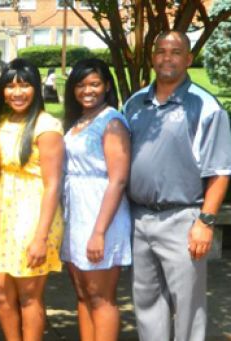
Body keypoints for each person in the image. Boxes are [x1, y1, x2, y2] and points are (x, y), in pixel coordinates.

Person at [122, 30, 231, 341]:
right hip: (139, 219)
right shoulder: (134, 104)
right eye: (161, 51)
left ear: (188, 59)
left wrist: (205, 222)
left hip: (183, 220)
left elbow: (220, 172)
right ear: (152, 57)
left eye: (175, 51)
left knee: (188, 307)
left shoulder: (206, 107)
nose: (167, 57)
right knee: (146, 303)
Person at [0, 58, 64, 341]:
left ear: (36, 89)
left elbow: (54, 184)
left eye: (25, 85)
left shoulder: (46, 126)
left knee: (30, 296)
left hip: (32, 219)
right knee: (2, 294)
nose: (17, 92)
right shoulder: (1, 122)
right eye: (11, 86)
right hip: (1, 219)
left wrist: (40, 237)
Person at [61, 58, 131, 341]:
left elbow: (118, 179)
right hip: (76, 213)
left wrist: (99, 232)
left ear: (106, 87)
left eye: (94, 84)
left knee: (101, 297)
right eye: (80, 84)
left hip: (101, 214)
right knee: (82, 294)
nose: (87, 90)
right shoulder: (79, 121)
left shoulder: (111, 121)